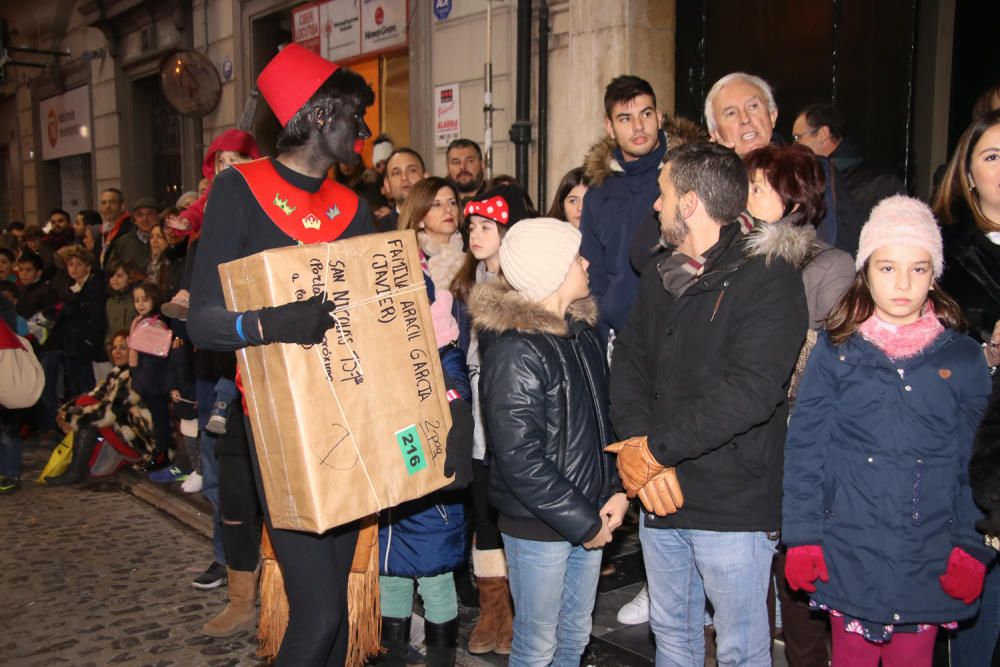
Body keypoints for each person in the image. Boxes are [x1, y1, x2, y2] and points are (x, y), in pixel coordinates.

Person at [187, 43, 377, 666]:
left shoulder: (356, 208)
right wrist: (272, 322)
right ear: (321, 115)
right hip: (277, 429)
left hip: (349, 420)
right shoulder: (239, 191)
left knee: (336, 617)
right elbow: (204, 323)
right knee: (319, 612)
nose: (366, 130)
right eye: (355, 114)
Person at [609, 142, 808, 665]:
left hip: (731, 501)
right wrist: (641, 451)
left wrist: (655, 451)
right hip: (660, 492)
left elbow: (751, 391)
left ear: (690, 203)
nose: (656, 205)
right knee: (672, 635)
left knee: (741, 647)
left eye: (664, 193)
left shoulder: (768, 276)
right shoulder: (660, 273)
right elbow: (628, 361)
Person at [782, 195, 993, 666]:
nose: (902, 283)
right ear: (865, 270)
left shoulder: (961, 360)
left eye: (918, 269)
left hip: (928, 558)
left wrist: (971, 549)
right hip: (848, 553)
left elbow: (975, 468)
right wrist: (802, 536)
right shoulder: (835, 354)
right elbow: (805, 451)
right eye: (887, 268)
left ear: (934, 273)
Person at [470, 217, 627, 666]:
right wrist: (585, 522)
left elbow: (603, 421)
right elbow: (520, 459)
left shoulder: (581, 333)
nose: (586, 261)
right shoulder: (516, 350)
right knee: (537, 643)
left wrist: (614, 490)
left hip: (591, 509)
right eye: (576, 256)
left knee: (575, 631)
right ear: (552, 270)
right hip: (540, 524)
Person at [742, 144, 855, 666]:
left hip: (797, 437)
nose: (746, 194)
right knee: (745, 579)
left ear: (791, 198)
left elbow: (832, 360)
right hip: (745, 435)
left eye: (758, 186)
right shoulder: (736, 256)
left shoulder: (828, 265)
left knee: (797, 568)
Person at [450, 184, 532, 655]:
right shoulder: (466, 284)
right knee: (483, 518)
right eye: (473, 226)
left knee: (514, 518)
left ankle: (521, 610)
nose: (476, 234)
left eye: (487, 226)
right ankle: (493, 609)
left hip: (512, 426)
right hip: (478, 424)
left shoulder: (527, 284)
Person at [932, 108, 1000, 666]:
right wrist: (986, 349)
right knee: (977, 609)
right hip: (972, 449)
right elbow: (919, 348)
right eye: (993, 156)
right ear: (968, 172)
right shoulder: (940, 251)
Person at [48, 331, 155, 486]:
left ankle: (75, 471)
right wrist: (64, 411)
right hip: (120, 431)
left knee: (89, 415)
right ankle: (77, 469)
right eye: (115, 347)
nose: (117, 352)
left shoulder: (134, 376)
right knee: (85, 401)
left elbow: (108, 415)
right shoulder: (117, 372)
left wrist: (73, 418)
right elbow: (94, 395)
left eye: (123, 348)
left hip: (137, 443)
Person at [792, 103, 906, 220]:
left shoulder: (882, 184)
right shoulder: (814, 180)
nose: (793, 147)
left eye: (797, 138)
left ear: (822, 134)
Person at [49, 245, 107, 398]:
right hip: (72, 347)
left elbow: (96, 318)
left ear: (88, 267)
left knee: (88, 389)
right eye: (70, 264)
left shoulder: (95, 288)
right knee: (76, 389)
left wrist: (89, 341)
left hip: (88, 348)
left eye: (78, 264)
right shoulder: (71, 289)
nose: (73, 268)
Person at [128, 281, 172, 471]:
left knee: (161, 420)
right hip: (144, 378)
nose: (140, 304)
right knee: (155, 419)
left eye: (145, 299)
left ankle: (162, 456)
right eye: (137, 300)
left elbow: (157, 355)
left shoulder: (156, 323)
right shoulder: (139, 321)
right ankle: (157, 453)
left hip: (155, 380)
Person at [379, 147, 427, 232]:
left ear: (426, 178)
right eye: (396, 173)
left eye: (412, 170)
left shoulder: (443, 220)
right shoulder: (378, 230)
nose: (404, 177)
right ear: (387, 185)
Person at [105, 197, 159, 271]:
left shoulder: (165, 240)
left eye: (150, 214)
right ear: (134, 220)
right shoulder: (123, 242)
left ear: (158, 216)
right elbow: (111, 270)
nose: (145, 218)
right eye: (140, 215)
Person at [446, 138, 486, 203]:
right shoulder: (438, 202)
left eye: (470, 161)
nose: (462, 167)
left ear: (482, 165)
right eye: (456, 162)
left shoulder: (499, 199)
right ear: (448, 168)